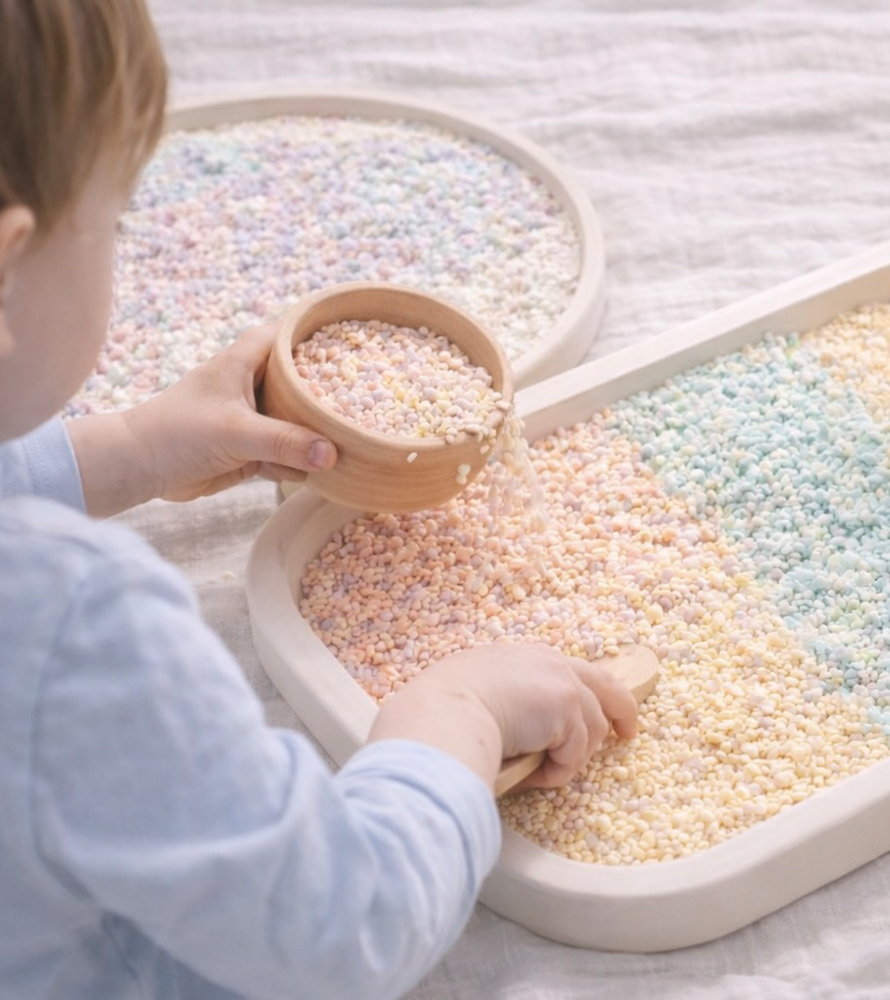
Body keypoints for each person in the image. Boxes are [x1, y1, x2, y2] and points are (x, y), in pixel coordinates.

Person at [0, 2, 639, 998]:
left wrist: (131, 448)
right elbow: (338, 930)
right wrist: (450, 714)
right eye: (112, 223)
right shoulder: (71, 628)